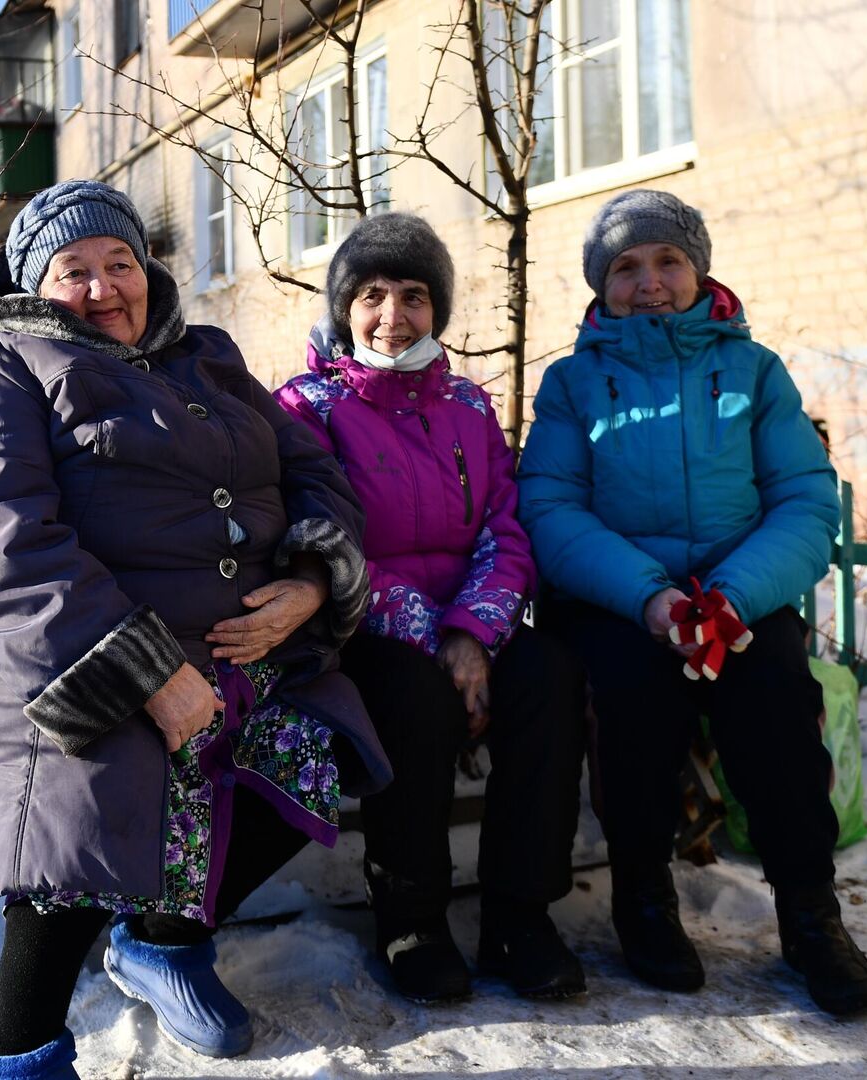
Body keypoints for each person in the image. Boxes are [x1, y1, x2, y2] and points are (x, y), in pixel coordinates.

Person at [0, 180, 388, 1079]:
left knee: (320, 746)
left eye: (118, 263)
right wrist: (148, 675)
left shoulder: (206, 356)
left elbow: (314, 470)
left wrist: (313, 582)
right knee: (88, 794)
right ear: (30, 284)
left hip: (231, 646)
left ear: (146, 270)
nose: (103, 287)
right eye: (72, 270)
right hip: (45, 650)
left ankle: (165, 940)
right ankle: (17, 1057)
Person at [516, 189, 867, 1016]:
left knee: (778, 692)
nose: (649, 281)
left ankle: (810, 915)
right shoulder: (574, 384)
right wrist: (652, 602)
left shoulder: (753, 371)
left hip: (738, 597)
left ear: (698, 269)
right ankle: (643, 898)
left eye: (668, 260)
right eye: (626, 266)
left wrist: (730, 599)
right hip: (621, 599)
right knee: (631, 693)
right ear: (600, 284)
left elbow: (803, 501)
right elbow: (552, 509)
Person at [275, 214, 589, 1003]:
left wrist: (471, 634)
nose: (392, 316)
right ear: (345, 306)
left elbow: (504, 530)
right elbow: (321, 537)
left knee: (548, 673)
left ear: (437, 309)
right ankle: (411, 915)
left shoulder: (470, 407)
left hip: (466, 627)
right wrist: (428, 634)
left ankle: (521, 914)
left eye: (413, 296)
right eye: (372, 295)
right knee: (412, 698)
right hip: (362, 631)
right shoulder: (305, 406)